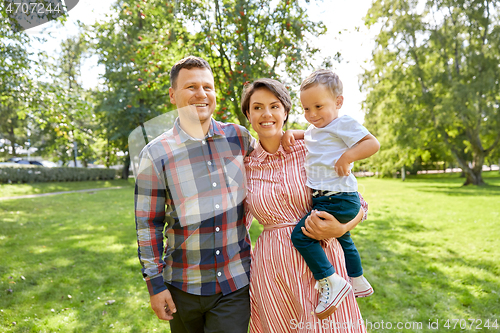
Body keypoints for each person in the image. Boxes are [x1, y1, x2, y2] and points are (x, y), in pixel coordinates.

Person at [134, 56, 256, 333]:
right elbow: (148, 226)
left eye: (207, 87)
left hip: (234, 284)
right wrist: (155, 286)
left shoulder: (239, 138)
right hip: (181, 288)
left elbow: (276, 167)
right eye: (191, 87)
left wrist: (296, 136)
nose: (201, 94)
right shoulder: (154, 154)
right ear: (172, 94)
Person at [242, 78, 368, 332]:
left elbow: (359, 203)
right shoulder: (244, 166)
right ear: (248, 114)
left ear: (285, 112)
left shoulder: (312, 148)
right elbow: (238, 224)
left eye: (274, 106)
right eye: (257, 107)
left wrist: (342, 229)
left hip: (321, 267)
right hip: (271, 270)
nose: (266, 114)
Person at [282, 69, 380, 319]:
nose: (312, 114)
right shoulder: (316, 128)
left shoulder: (342, 123)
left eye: (318, 106)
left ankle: (330, 281)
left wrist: (348, 156)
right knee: (343, 239)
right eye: (306, 109)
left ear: (338, 102)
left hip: (339, 196)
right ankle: (357, 279)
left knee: (302, 236)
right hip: (326, 196)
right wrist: (294, 133)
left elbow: (372, 144)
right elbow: (311, 135)